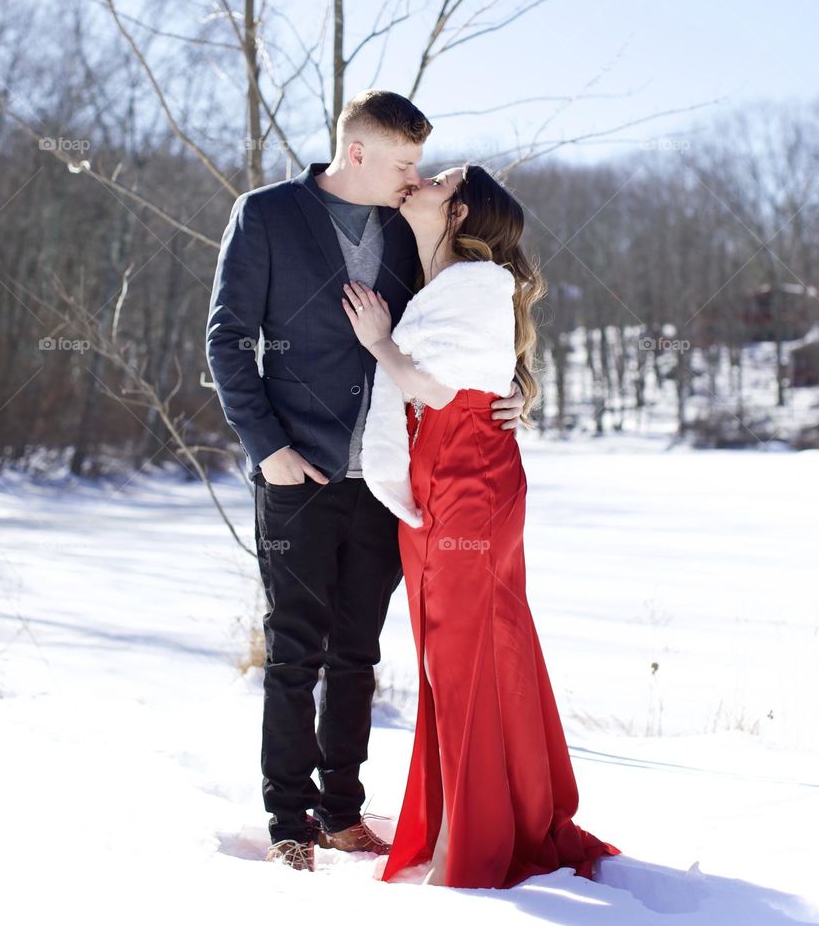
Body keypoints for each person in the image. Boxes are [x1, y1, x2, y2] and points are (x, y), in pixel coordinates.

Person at [205, 93, 525, 872]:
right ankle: (289, 821)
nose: (415, 177)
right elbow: (226, 341)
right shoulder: (267, 215)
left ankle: (342, 813)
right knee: (294, 651)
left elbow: (463, 318)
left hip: (387, 480)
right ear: (358, 153)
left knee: (357, 652)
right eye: (404, 162)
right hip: (298, 472)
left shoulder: (406, 224)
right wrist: (269, 449)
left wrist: (516, 385)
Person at [344, 162, 622, 889]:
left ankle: (473, 839)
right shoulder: (444, 282)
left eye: (439, 180)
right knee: (460, 655)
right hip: (443, 479)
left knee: (465, 656)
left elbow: (438, 390)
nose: (422, 181)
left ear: (460, 211)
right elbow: (473, 376)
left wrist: (379, 342)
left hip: (469, 481)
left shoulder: (477, 284)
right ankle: (482, 817)